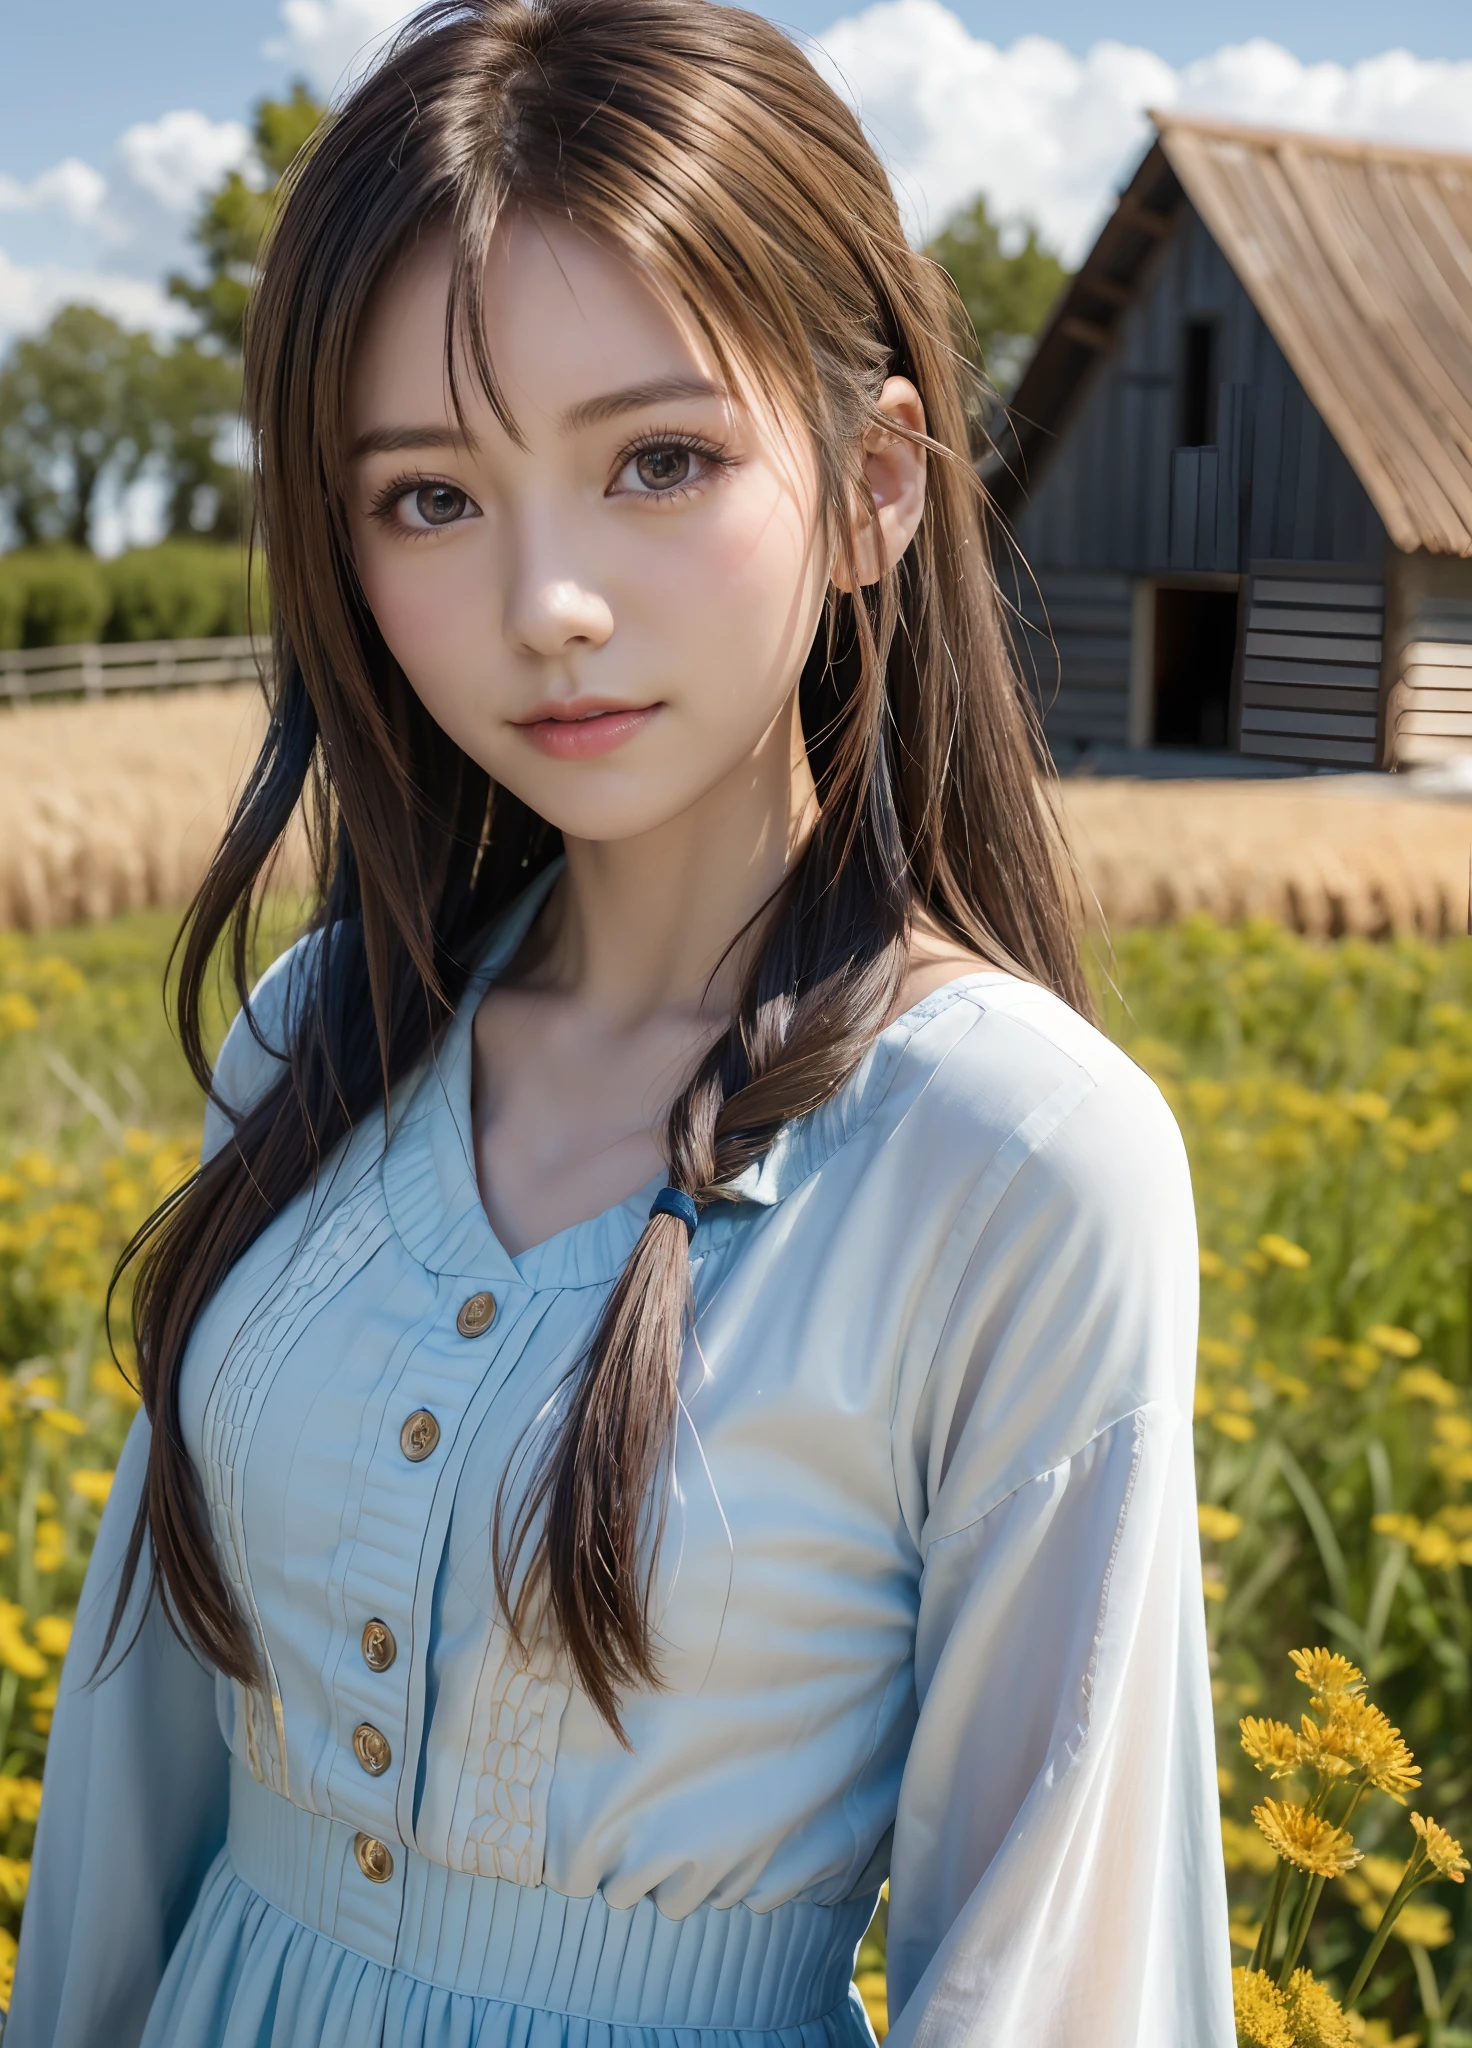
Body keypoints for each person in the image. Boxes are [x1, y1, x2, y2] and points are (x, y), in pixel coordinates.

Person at [8, 2, 1233, 2041]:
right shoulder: (322, 1031)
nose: (546, 599)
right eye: (431, 498)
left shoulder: (1017, 1156)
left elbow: (1055, 1959)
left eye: (657, 461)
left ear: (870, 488)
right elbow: (140, 1770)